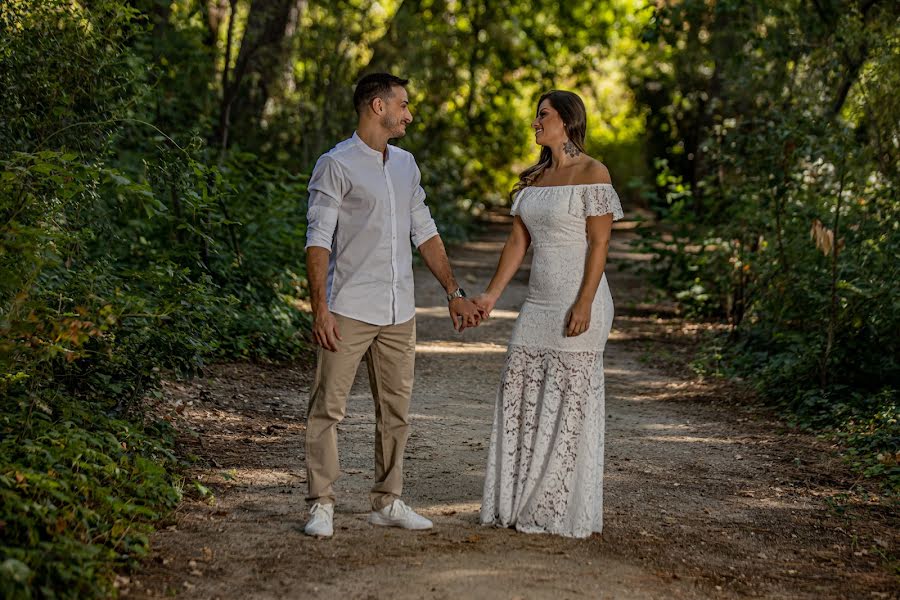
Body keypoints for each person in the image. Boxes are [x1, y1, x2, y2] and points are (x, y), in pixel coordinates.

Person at [303, 73, 482, 538]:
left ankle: (388, 500)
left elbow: (424, 230)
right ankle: (321, 502)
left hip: (399, 310)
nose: (409, 113)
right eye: (403, 104)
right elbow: (318, 240)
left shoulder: (406, 165)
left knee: (397, 411)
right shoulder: (335, 164)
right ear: (377, 106)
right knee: (328, 409)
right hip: (349, 307)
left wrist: (454, 292)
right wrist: (320, 307)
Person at [475, 90, 624, 538]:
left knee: (567, 402)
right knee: (518, 390)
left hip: (582, 300)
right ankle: (516, 501)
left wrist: (583, 301)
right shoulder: (535, 179)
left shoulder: (593, 173)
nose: (536, 122)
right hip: (538, 304)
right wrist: (490, 297)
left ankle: (555, 507)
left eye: (543, 115)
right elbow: (517, 244)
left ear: (566, 120)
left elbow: (599, 245)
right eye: (537, 115)